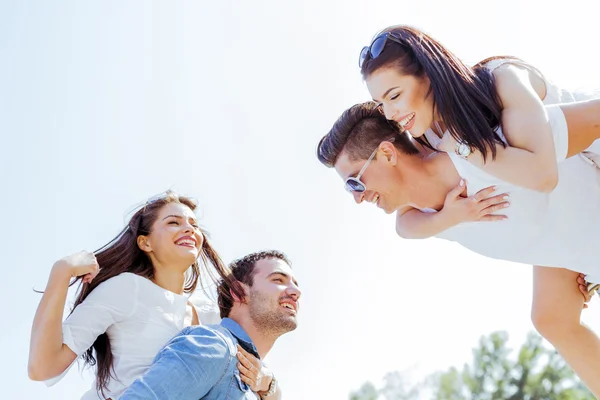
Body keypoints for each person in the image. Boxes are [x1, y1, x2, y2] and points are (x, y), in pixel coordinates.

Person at [317, 101, 600, 396]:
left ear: (387, 154)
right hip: (576, 246)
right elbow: (404, 229)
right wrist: (449, 216)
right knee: (551, 320)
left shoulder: (478, 151)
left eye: (354, 184)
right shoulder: (423, 215)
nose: (358, 199)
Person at [28, 191, 279, 399]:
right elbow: (43, 367)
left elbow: (243, 380)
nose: (189, 229)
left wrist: (268, 384)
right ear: (145, 243)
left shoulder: (210, 313)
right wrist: (61, 272)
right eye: (174, 222)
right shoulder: (126, 289)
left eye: (194, 224)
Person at [358, 25, 600, 195]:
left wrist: (465, 146)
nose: (389, 114)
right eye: (381, 104)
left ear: (428, 74)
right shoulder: (427, 133)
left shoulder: (502, 79)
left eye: (395, 96)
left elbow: (543, 177)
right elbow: (406, 213)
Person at [120, 250, 300, 400]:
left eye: (295, 284)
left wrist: (270, 387)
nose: (296, 292)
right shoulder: (214, 345)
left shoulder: (256, 380)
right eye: (278, 280)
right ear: (239, 292)